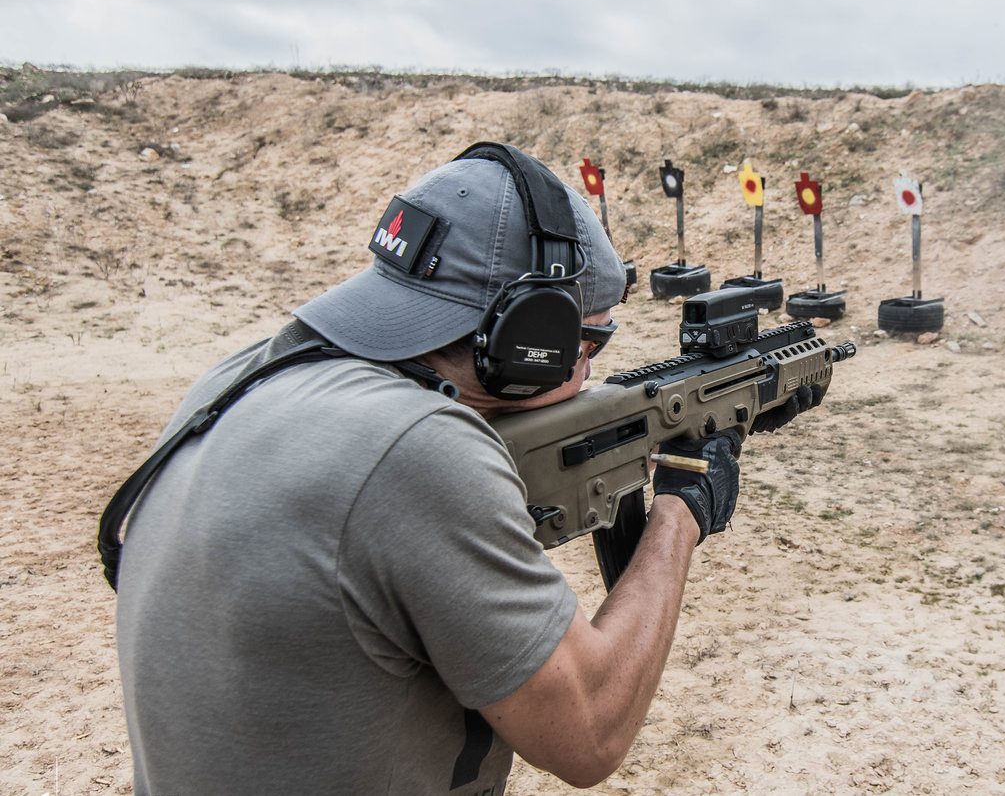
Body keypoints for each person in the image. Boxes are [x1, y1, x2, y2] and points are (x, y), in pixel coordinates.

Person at [108, 143, 741, 795]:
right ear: (536, 342)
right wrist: (679, 511)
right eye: (592, 344)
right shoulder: (419, 451)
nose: (590, 375)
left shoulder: (242, 376)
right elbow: (590, 732)